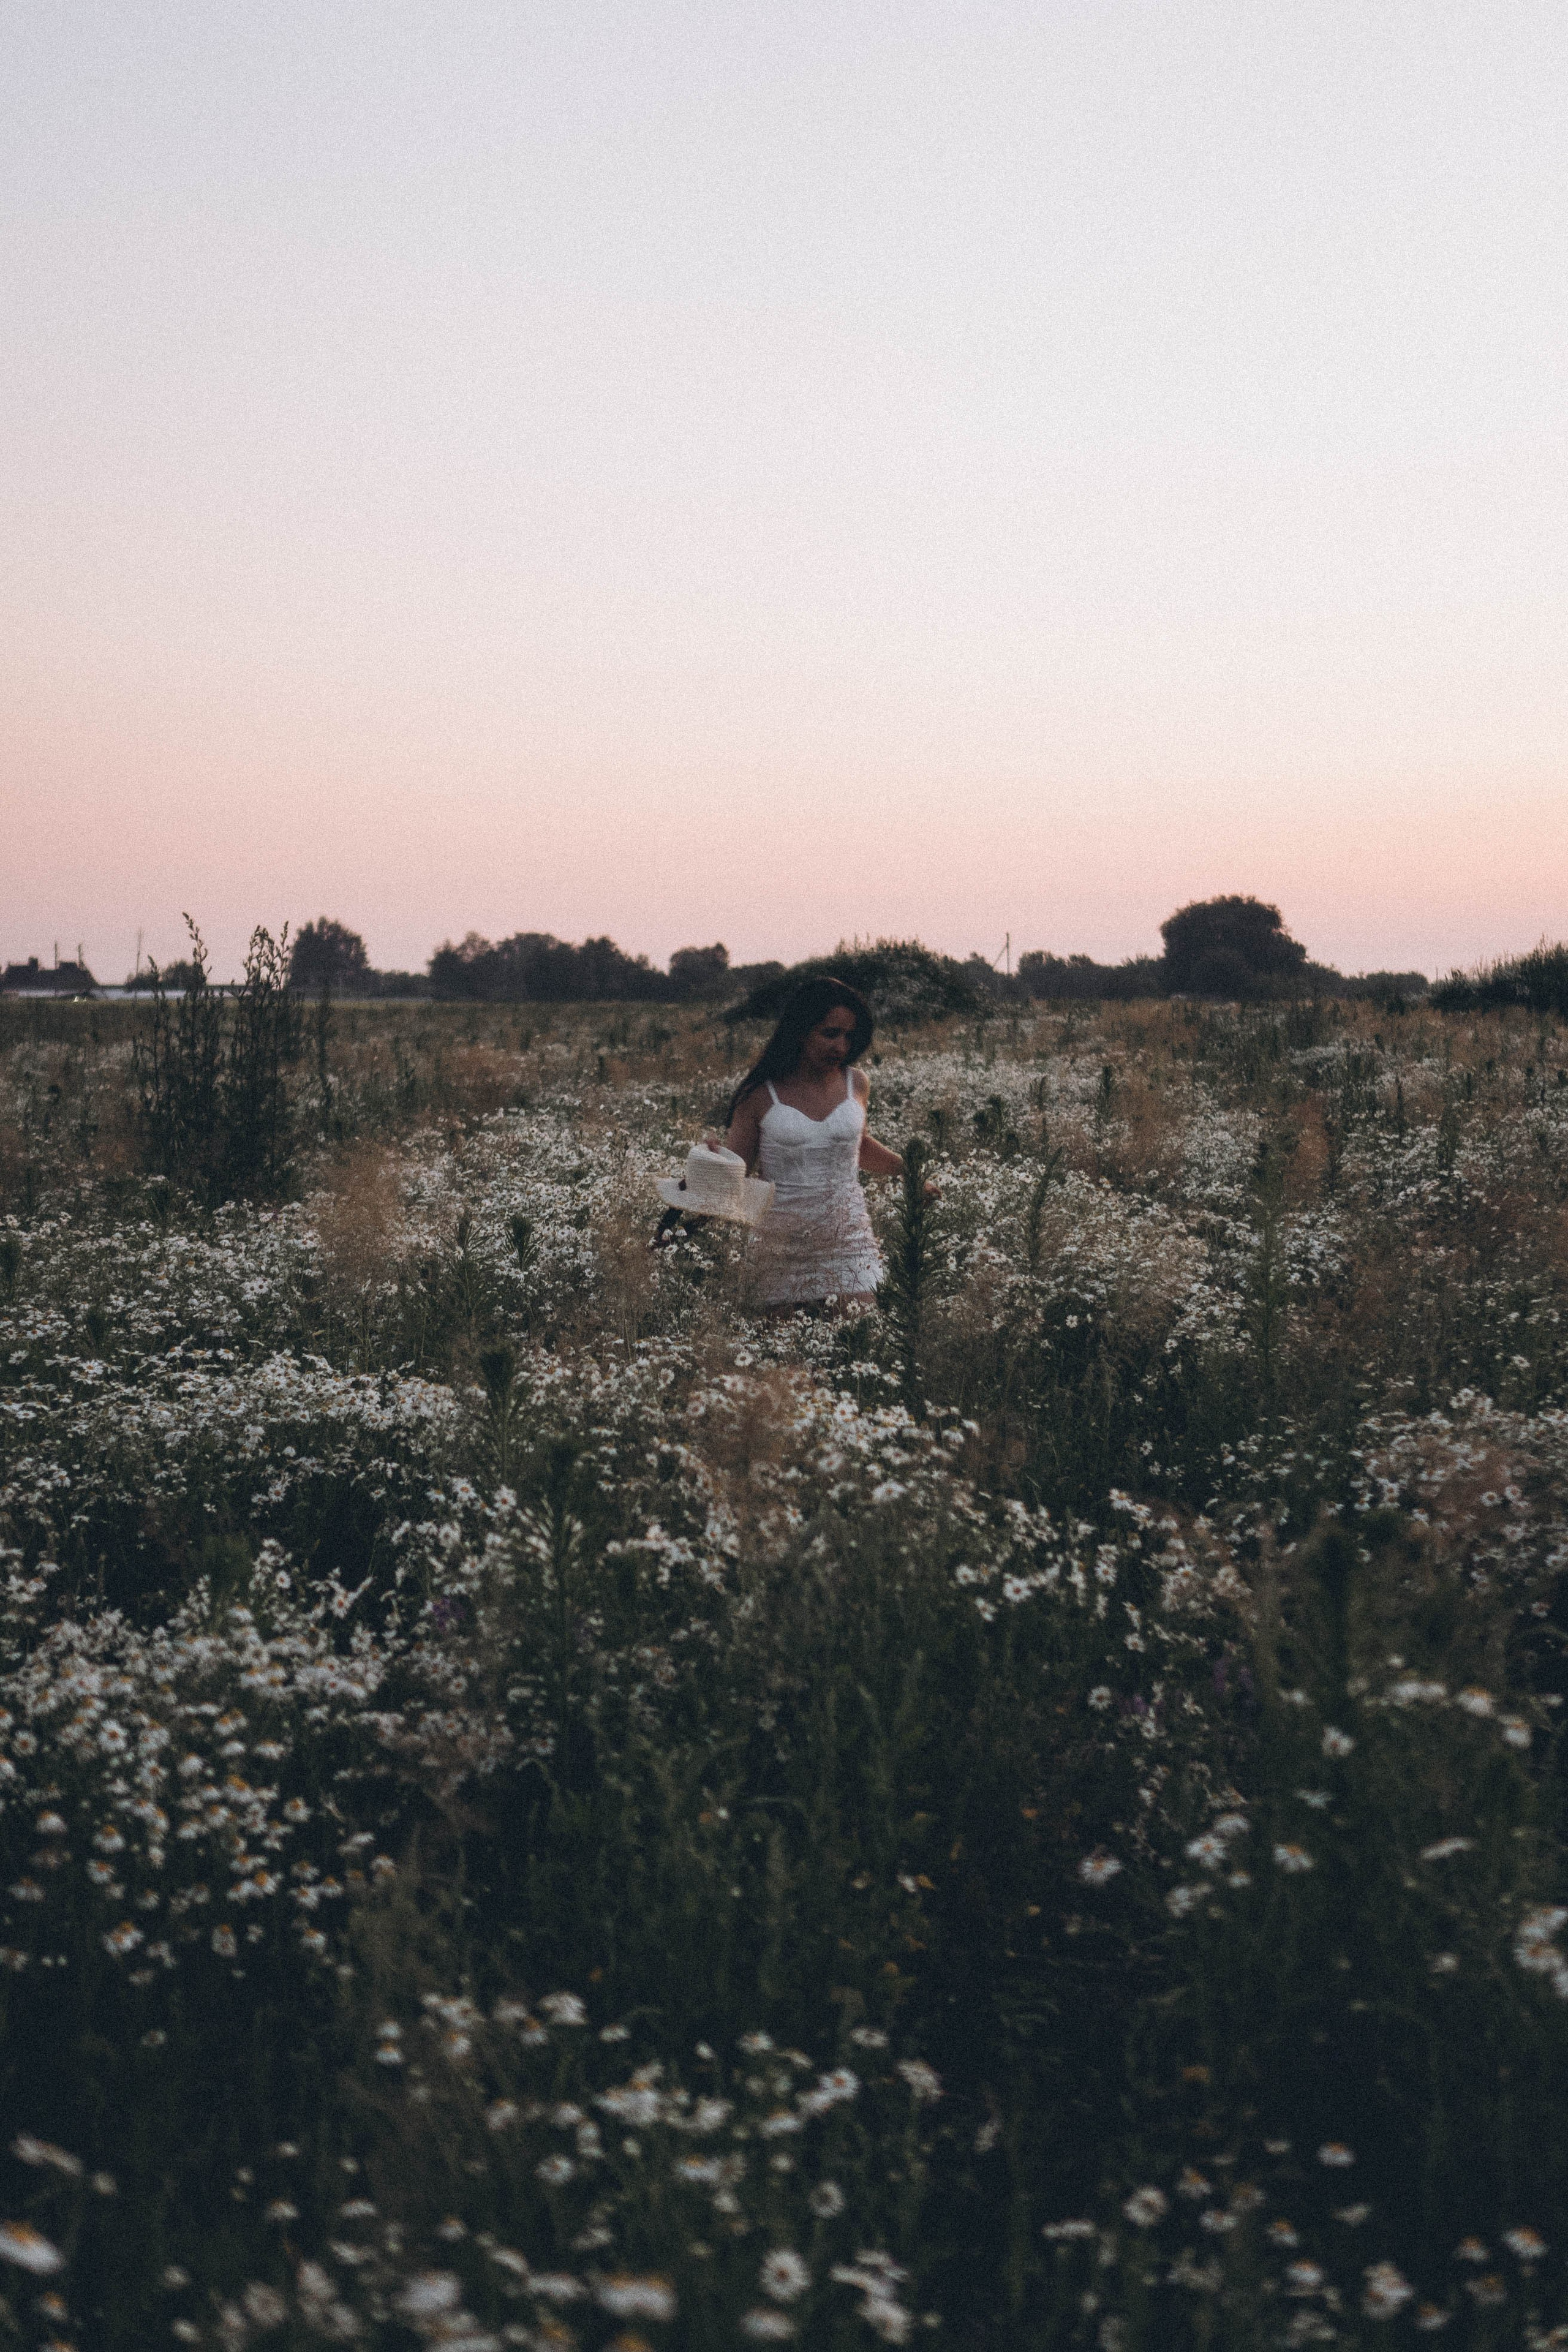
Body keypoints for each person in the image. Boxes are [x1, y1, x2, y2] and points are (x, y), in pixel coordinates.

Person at [720, 976, 910, 1313]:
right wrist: (711, 1161)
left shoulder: (857, 1083)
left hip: (850, 1244)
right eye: (830, 1033)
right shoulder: (762, 1094)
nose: (841, 1046)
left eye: (849, 1036)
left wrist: (911, 1173)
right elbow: (736, 1171)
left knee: (860, 1345)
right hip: (779, 1250)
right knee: (784, 1362)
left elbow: (858, 1145)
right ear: (800, 1031)